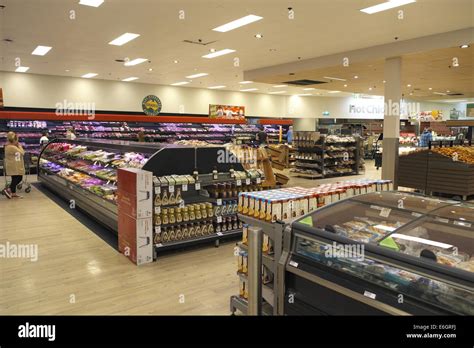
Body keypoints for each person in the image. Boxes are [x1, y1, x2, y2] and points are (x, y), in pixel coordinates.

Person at [2, 131, 25, 199]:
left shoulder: (8, 146)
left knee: (14, 178)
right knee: (19, 178)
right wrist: (19, 146)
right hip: (14, 166)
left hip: (12, 165)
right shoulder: (12, 147)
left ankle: (13, 193)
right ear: (14, 140)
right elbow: (22, 153)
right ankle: (8, 189)